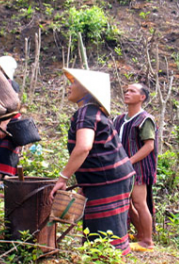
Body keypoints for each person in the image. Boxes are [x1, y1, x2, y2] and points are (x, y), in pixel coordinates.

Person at [49, 68, 135, 256]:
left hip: (109, 180)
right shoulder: (93, 112)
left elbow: (84, 147)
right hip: (110, 178)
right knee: (103, 229)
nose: (69, 86)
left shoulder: (86, 114)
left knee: (105, 233)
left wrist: (63, 178)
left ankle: (106, 259)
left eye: (74, 83)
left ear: (86, 89)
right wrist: (84, 183)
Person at [113, 83, 157, 252]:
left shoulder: (145, 120)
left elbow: (149, 146)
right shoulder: (119, 119)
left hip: (138, 169)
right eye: (126, 91)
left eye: (132, 91)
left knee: (139, 202)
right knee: (128, 203)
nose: (127, 93)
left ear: (142, 97)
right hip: (122, 168)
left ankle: (147, 241)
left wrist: (129, 161)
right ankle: (140, 236)